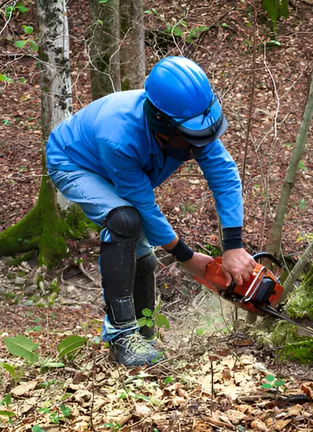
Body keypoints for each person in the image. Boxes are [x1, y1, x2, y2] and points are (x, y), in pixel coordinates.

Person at [46, 56, 256, 367]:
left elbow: (225, 177)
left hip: (116, 168)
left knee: (141, 251)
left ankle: (143, 333)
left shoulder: (195, 121)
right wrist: (187, 257)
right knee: (126, 220)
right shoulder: (118, 135)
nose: (198, 146)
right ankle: (121, 336)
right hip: (74, 162)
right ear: (162, 123)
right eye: (191, 139)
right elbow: (143, 205)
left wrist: (234, 246)